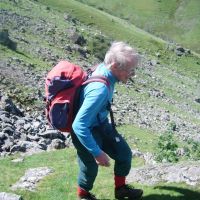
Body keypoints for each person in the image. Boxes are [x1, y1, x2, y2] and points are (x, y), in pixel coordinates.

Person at [71, 41, 143, 200]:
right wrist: (97, 153)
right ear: (116, 66)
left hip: (100, 123)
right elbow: (79, 125)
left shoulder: (106, 70)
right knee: (90, 166)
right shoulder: (100, 90)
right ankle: (83, 195)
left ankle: (121, 190)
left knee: (124, 154)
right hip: (86, 129)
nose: (132, 75)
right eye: (130, 71)